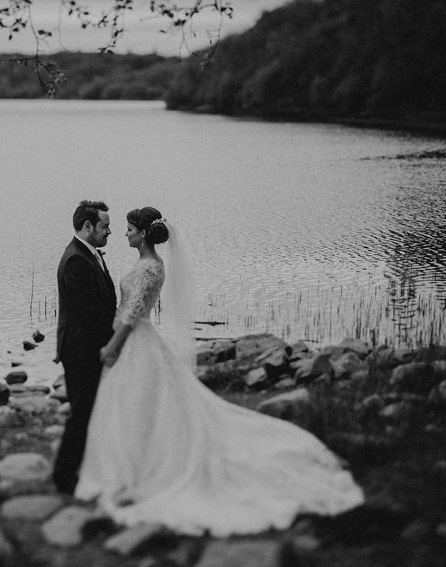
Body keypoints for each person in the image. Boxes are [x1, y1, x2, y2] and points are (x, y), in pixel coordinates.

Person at [75, 206, 365, 536]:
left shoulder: (150, 268)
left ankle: (143, 470)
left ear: (142, 234)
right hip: (139, 342)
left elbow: (131, 315)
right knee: (139, 406)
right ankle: (133, 466)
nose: (124, 233)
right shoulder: (148, 263)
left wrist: (113, 345)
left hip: (135, 342)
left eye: (128, 229)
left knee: (143, 404)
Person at [52, 200, 117, 495]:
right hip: (81, 348)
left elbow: (102, 305)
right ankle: (64, 477)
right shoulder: (76, 259)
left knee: (89, 410)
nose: (110, 231)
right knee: (81, 412)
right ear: (88, 226)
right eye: (104, 226)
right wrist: (117, 341)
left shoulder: (88, 254)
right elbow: (92, 315)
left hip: (87, 344)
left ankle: (82, 469)